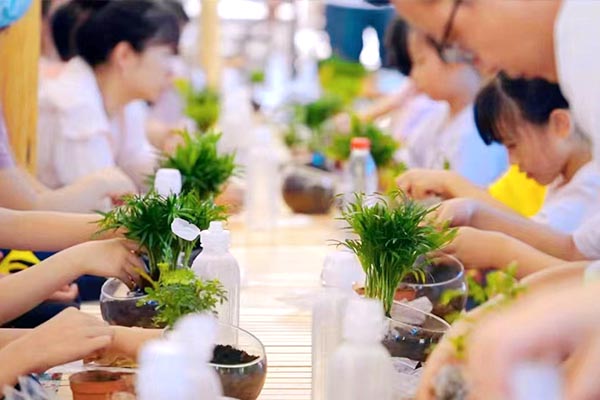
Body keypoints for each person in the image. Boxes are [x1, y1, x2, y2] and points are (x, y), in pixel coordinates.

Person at [400, 75, 600, 234]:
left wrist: (451, 183)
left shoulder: (591, 186)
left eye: (512, 145)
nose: (512, 161)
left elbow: (541, 239)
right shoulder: (560, 180)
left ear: (560, 124)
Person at [38, 0, 180, 191]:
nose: (172, 72)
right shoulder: (75, 103)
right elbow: (102, 202)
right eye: (166, 54)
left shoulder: (127, 104)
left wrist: (186, 169)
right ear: (124, 56)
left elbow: (138, 161)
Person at [387, 24, 507, 186]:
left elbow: (468, 196)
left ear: (455, 55)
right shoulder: (439, 115)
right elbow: (405, 161)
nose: (414, 75)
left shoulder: (478, 131)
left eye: (420, 61)